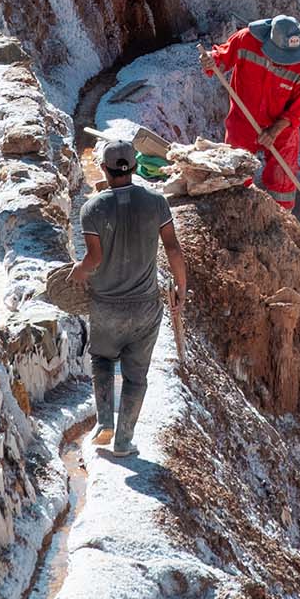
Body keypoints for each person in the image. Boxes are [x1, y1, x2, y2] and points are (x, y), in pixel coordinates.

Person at [69, 140, 188, 457]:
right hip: (146, 306)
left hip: (107, 305)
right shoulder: (156, 202)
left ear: (105, 170)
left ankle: (104, 420)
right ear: (134, 168)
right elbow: (173, 249)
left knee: (103, 360)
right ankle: (123, 440)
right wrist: (181, 286)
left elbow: (93, 260)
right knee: (136, 375)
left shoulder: (92, 209)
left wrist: (77, 273)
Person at [200, 14, 300, 209]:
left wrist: (275, 130)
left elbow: (298, 109)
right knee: (236, 172)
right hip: (243, 120)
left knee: (283, 178)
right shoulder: (246, 39)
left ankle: (282, 223)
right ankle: (239, 215)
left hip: (282, 127)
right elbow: (222, 58)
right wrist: (212, 61)